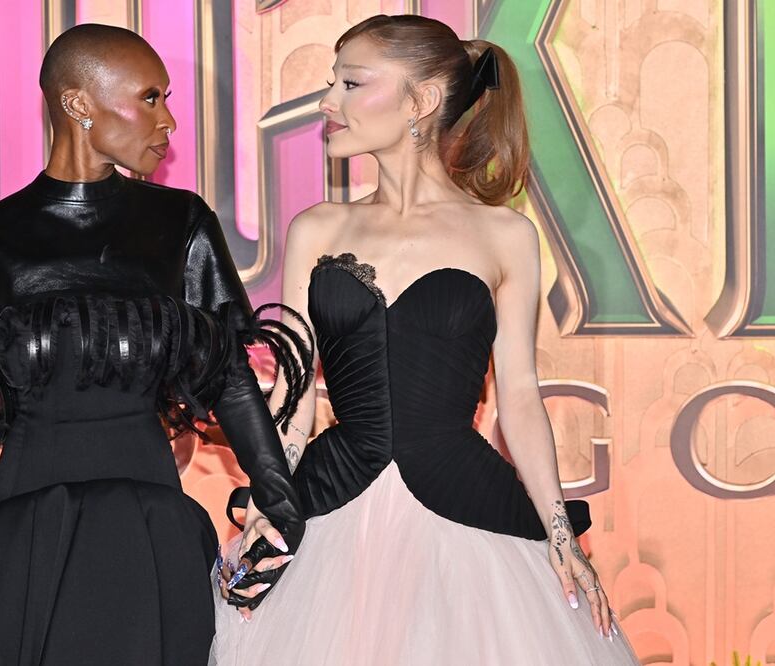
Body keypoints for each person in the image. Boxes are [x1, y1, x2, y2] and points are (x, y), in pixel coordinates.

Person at [0, 24, 309, 665]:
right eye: (150, 98)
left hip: (149, 530)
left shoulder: (181, 224)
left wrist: (281, 504)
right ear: (78, 104)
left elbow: (229, 378)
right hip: (24, 533)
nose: (170, 121)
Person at [211, 14, 640, 665]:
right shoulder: (317, 228)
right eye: (333, 81)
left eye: (352, 82)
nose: (328, 101)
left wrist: (559, 534)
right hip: (332, 503)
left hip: (464, 505)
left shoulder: (504, 236)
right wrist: (273, 499)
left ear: (421, 101)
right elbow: (296, 400)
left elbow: (519, 396)